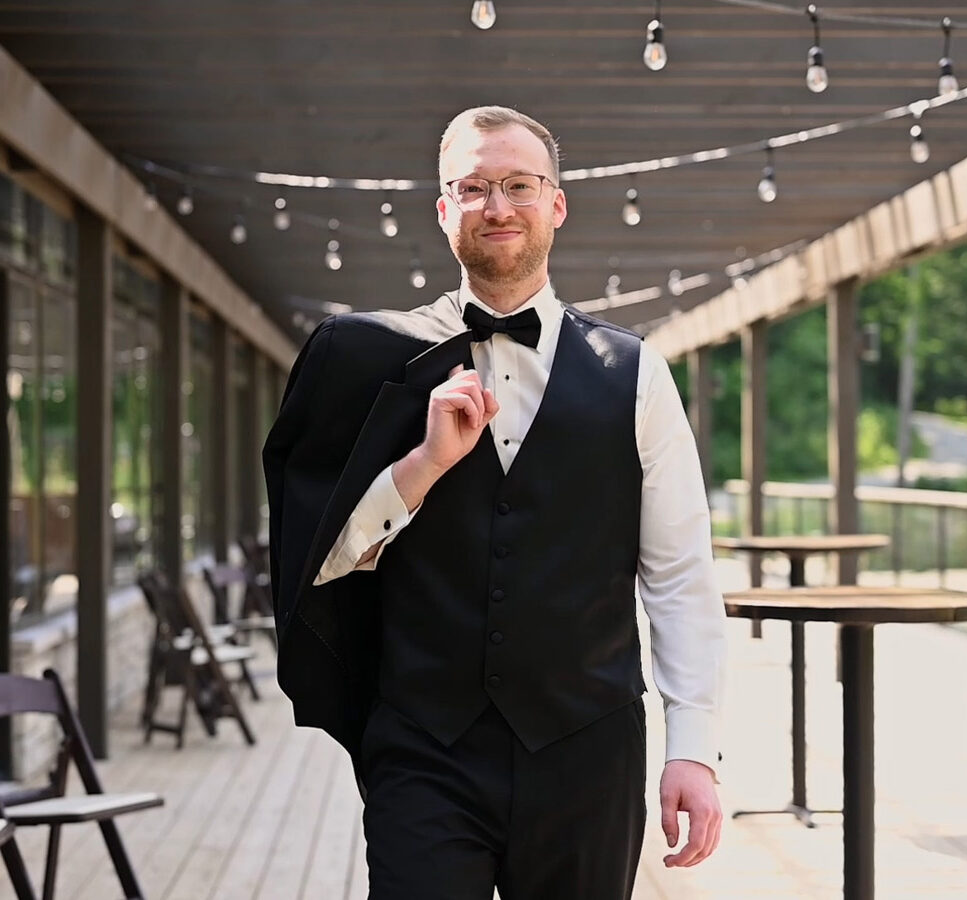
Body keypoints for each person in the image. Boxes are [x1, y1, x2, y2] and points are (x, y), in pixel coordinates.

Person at [263, 105, 726, 899]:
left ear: (556, 204)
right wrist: (422, 466)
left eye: (519, 185)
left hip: (587, 748)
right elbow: (320, 560)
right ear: (444, 209)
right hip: (423, 747)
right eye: (474, 188)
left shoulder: (636, 373)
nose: (498, 207)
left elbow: (680, 573)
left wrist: (693, 747)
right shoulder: (364, 361)